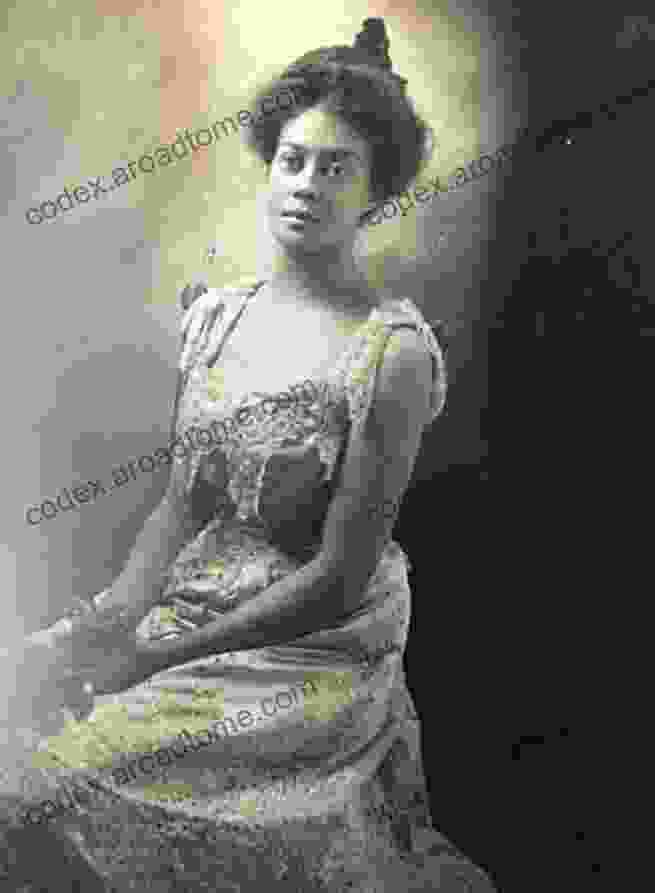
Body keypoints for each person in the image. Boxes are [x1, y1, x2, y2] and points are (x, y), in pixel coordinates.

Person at [1, 18, 496, 892]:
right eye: (292, 160)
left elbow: (339, 576)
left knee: (81, 774)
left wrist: (158, 659)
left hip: (303, 639)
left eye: (337, 168)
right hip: (193, 594)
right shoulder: (218, 319)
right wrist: (109, 621)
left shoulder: (392, 357)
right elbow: (182, 502)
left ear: (376, 191)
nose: (306, 185)